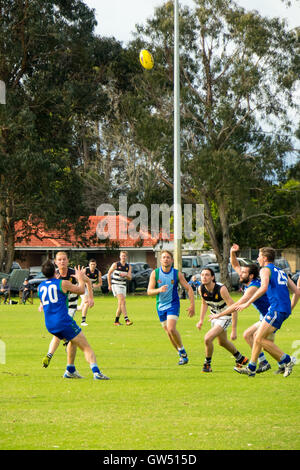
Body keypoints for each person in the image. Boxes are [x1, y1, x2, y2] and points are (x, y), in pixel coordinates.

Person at [235, 246, 300, 377]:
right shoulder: (281, 271)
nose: (257, 258)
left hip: (276, 309)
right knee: (257, 337)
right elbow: (297, 291)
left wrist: (248, 302)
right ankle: (252, 368)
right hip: (280, 309)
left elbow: (263, 287)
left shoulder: (265, 270)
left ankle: (287, 360)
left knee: (258, 338)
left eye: (259, 256)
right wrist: (289, 308)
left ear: (264, 258)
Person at [38, 260, 109, 380]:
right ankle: (96, 372)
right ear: (55, 271)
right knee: (86, 347)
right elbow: (81, 290)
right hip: (63, 322)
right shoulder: (62, 283)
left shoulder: (40, 287)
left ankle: (70, 370)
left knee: (72, 341)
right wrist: (80, 278)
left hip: (49, 324)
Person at [209, 244, 272, 373]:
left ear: (251, 276)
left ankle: (283, 361)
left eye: (243, 272)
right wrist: (232, 252)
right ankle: (264, 362)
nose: (240, 273)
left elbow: (236, 305)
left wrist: (219, 315)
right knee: (249, 336)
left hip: (271, 316)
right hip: (264, 316)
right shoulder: (248, 280)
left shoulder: (253, 287)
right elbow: (235, 264)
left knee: (262, 341)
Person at [42, 251, 94, 368]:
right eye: (59, 260)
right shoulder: (53, 274)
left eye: (64, 259)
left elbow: (88, 281)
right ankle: (62, 346)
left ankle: (50, 354)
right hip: (60, 306)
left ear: (68, 261)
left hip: (71, 305)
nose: (62, 262)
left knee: (60, 329)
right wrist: (42, 304)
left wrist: (90, 297)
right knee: (60, 331)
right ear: (55, 262)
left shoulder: (73, 273)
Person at [147, 250, 195, 365]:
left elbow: (189, 288)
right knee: (169, 333)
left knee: (171, 328)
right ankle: (181, 355)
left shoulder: (176, 274)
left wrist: (192, 305)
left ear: (172, 260)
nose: (166, 259)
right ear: (160, 260)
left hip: (173, 304)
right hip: (160, 306)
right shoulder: (155, 273)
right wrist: (159, 290)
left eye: (168, 257)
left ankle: (182, 351)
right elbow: (149, 291)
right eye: (163, 257)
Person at [196, 267, 248, 372]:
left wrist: (234, 330)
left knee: (207, 338)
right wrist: (201, 320)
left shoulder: (221, 289)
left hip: (226, 316)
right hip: (214, 316)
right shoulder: (201, 289)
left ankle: (207, 364)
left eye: (207, 275)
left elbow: (233, 308)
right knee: (222, 342)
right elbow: (204, 303)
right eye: (202, 275)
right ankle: (240, 358)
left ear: (212, 277)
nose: (204, 277)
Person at [107, 251, 133, 326]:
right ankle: (127, 319)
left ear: (126, 257)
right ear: (120, 256)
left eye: (124, 256)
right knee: (122, 300)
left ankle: (116, 321)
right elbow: (109, 274)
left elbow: (130, 277)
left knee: (121, 304)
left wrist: (125, 275)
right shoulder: (115, 264)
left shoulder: (129, 266)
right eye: (122, 256)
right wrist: (109, 285)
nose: (123, 257)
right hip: (115, 285)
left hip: (123, 285)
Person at [77, 259, 102, 326]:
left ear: (96, 265)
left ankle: (72, 308)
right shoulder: (85, 270)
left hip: (90, 289)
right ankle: (83, 321)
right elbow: (79, 279)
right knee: (87, 302)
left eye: (94, 264)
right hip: (82, 288)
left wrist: (95, 285)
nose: (92, 266)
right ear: (89, 265)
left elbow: (100, 283)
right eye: (91, 264)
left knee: (81, 308)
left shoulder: (98, 272)